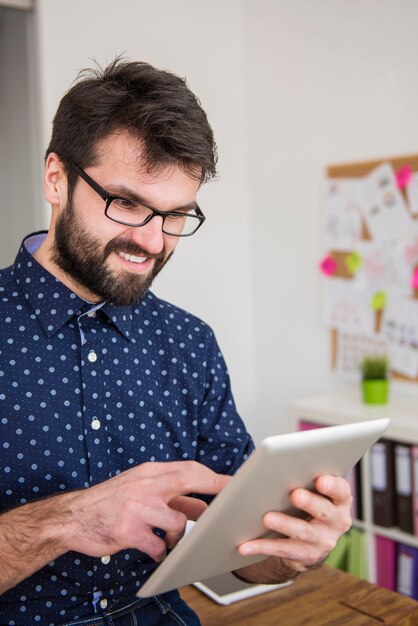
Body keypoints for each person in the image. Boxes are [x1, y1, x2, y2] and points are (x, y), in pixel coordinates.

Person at [0, 59, 352, 626]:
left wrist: (293, 548)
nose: (151, 241)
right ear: (55, 178)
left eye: (175, 216)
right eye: (128, 203)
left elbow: (243, 550)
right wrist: (69, 520)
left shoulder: (189, 343)